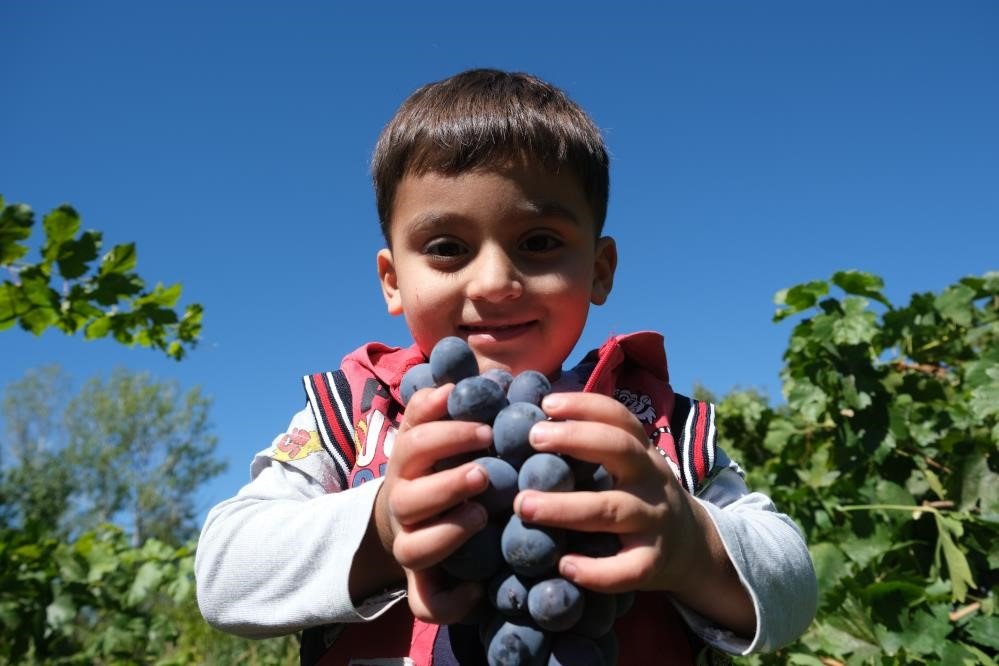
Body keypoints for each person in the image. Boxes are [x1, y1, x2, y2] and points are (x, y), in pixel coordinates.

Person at [196, 68, 817, 665]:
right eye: (447, 248)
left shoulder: (655, 431)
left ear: (599, 270)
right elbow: (224, 575)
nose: (494, 282)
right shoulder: (355, 417)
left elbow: (795, 586)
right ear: (393, 281)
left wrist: (691, 544)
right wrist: (382, 527)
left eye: (539, 243)